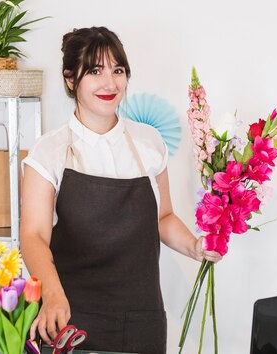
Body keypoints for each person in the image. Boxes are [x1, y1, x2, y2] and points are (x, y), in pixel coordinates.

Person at [20, 26, 222, 354]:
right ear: (71, 80)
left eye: (118, 70)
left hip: (142, 321)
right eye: (95, 71)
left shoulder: (149, 142)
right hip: (72, 319)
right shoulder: (49, 151)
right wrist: (53, 295)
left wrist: (195, 246)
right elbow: (33, 236)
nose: (110, 83)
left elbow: (164, 217)